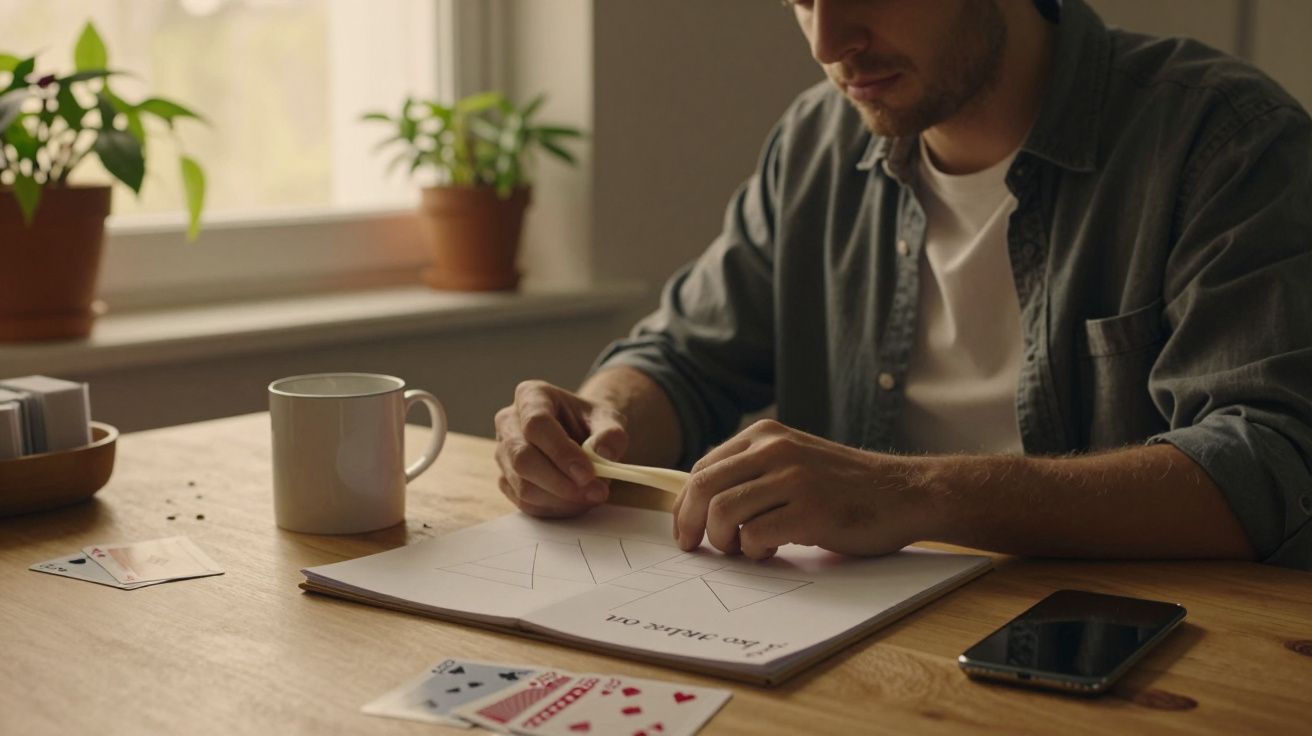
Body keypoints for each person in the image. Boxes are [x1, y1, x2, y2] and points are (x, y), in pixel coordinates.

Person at [493, 0, 1312, 569]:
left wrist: (909, 493)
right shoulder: (818, 139)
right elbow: (684, 357)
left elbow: (1270, 463)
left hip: (1131, 653)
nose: (827, 40)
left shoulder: (1222, 140)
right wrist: (601, 423)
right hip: (861, 650)